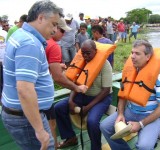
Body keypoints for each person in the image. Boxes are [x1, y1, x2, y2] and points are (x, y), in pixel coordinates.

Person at [1, 1, 64, 149]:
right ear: (41, 18)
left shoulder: (20, 34)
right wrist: (40, 130)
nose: (55, 30)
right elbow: (24, 90)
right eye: (53, 24)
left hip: (24, 114)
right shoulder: (29, 44)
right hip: (26, 119)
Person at [100, 40, 160, 150]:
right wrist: (120, 114)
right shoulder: (129, 73)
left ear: (148, 56)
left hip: (151, 116)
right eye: (132, 53)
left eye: (137, 54)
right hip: (131, 111)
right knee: (105, 127)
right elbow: (123, 95)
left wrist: (141, 124)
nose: (132, 56)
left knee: (144, 146)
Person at [54, 39, 112, 150]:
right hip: (83, 95)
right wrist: (71, 101)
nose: (85, 56)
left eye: (88, 53)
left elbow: (105, 90)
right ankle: (70, 138)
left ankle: (95, 147)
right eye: (83, 53)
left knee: (92, 121)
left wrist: (88, 108)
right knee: (59, 107)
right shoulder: (81, 63)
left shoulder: (105, 64)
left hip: (101, 97)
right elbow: (76, 83)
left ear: (95, 51)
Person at [45, 17, 88, 149]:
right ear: (55, 28)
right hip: (44, 93)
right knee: (52, 119)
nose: (64, 34)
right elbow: (58, 77)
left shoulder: (45, 43)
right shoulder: (53, 46)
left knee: (50, 120)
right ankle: (62, 141)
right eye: (62, 31)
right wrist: (76, 89)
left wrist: (56, 65)